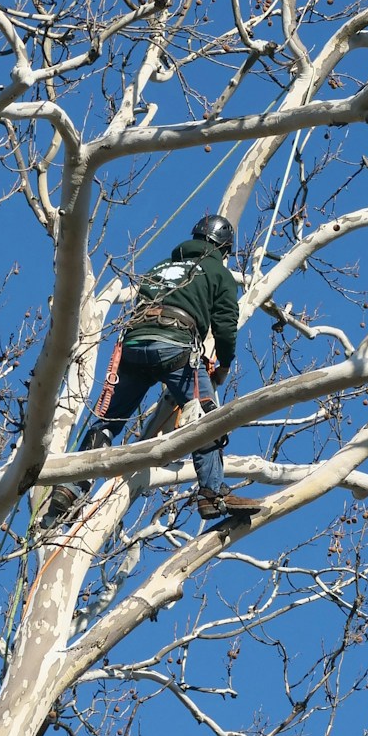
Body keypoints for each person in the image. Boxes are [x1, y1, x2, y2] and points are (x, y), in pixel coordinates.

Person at [72, 214, 262, 518]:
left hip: (134, 346)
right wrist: (224, 364)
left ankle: (70, 486)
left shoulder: (160, 267)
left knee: (107, 422)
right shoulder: (218, 272)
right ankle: (211, 494)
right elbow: (225, 327)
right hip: (175, 347)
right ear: (224, 249)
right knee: (207, 418)